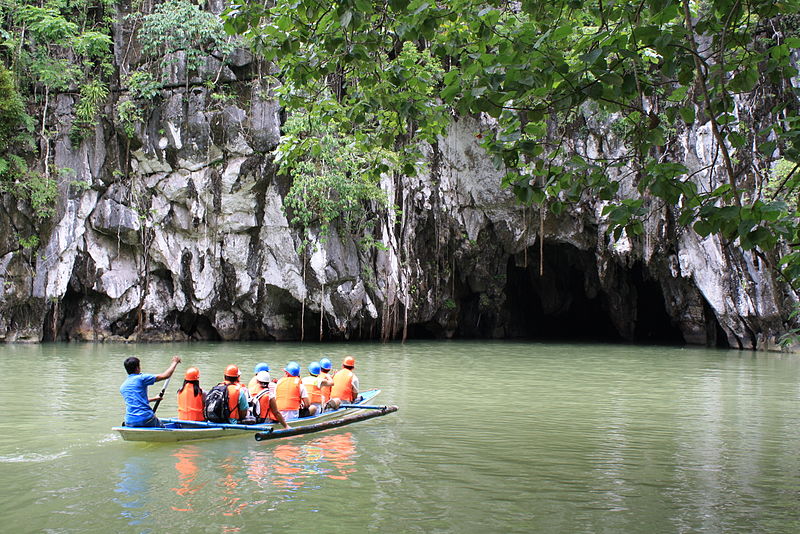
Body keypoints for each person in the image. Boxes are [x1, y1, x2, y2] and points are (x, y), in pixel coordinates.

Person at [120, 355, 181, 428]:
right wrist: (175, 362)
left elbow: (136, 401)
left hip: (129, 421)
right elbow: (166, 375)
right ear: (137, 368)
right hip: (145, 418)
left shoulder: (123, 386)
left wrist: (154, 399)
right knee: (163, 428)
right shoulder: (141, 378)